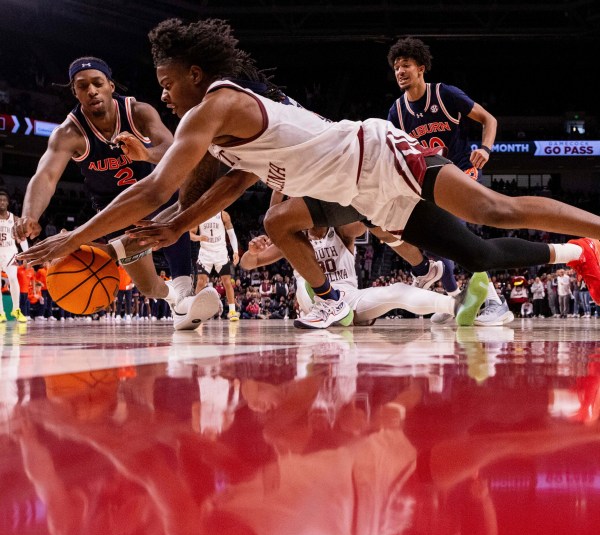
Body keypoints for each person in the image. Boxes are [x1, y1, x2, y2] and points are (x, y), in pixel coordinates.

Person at [17, 18, 600, 333]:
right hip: (363, 194)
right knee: (479, 255)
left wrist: (74, 238)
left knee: (491, 209)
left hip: (375, 153)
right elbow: (230, 181)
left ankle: (597, 229)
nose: (164, 94)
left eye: (168, 82)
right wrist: (174, 228)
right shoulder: (219, 128)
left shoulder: (216, 105)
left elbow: (154, 187)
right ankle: (578, 255)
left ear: (195, 74)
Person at [12, 57, 219, 330]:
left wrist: (145, 153)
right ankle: (173, 297)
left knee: (174, 199)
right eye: (82, 86)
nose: (92, 91)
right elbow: (46, 176)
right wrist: (30, 214)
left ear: (110, 85)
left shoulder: (139, 112)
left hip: (156, 192)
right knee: (147, 287)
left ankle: (184, 295)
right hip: (115, 210)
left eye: (98, 83)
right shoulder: (69, 132)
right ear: (75, 92)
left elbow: (175, 151)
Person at [386, 37, 511, 327]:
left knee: (457, 236)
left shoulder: (444, 94)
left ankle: (494, 301)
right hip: (428, 181)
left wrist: (486, 149)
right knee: (437, 243)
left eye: (405, 65)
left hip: (460, 173)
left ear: (421, 68)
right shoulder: (397, 112)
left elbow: (488, 119)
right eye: (396, 68)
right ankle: (455, 296)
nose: (400, 72)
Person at [240, 218, 490, 327]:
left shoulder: (342, 232)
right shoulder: (293, 240)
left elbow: (365, 222)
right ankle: (330, 306)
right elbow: (247, 264)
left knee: (397, 291)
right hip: (314, 304)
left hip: (349, 299)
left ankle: (457, 307)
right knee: (306, 282)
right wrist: (252, 252)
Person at [189, 210, 240, 320]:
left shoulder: (223, 215)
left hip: (220, 252)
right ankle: (196, 312)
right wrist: (199, 238)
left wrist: (235, 251)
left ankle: (232, 311)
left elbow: (231, 234)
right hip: (205, 253)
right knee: (200, 283)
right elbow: (191, 235)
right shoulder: (199, 215)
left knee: (227, 282)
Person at [0, 189, 28, 322]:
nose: (2, 202)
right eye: (0, 200)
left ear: (8, 203)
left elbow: (22, 238)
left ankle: (16, 309)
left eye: (4, 200)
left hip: (11, 251)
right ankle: (1, 313)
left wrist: (26, 255)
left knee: (13, 278)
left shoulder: (15, 219)